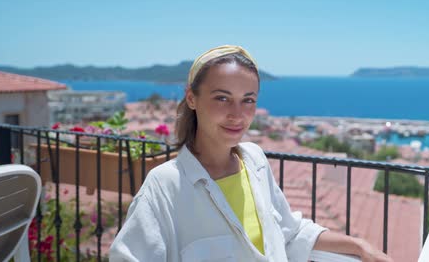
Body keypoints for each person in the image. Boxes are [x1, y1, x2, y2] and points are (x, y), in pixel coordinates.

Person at [109, 45, 392, 262]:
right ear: (192, 98)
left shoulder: (254, 160)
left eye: (248, 100)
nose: (237, 114)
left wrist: (359, 246)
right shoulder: (164, 186)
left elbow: (288, 232)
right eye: (222, 98)